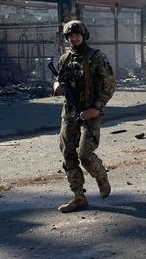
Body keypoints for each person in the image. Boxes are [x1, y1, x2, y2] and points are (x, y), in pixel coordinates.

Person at [52, 20, 116, 212]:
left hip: (90, 113)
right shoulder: (65, 59)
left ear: (84, 35)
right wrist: (56, 86)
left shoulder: (97, 57)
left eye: (77, 34)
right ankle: (78, 197)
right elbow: (58, 79)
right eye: (70, 35)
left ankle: (101, 175)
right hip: (70, 113)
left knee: (85, 154)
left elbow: (109, 85)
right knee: (68, 155)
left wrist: (96, 108)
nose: (74, 38)